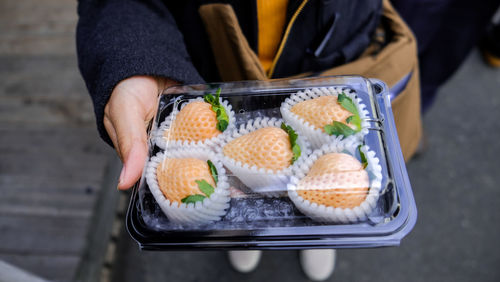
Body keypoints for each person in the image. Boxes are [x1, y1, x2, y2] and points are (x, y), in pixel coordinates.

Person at [77, 0, 419, 280]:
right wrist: (138, 59)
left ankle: (324, 219)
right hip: (212, 66)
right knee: (234, 186)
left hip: (335, 55)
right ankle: (240, 230)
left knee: (332, 179)